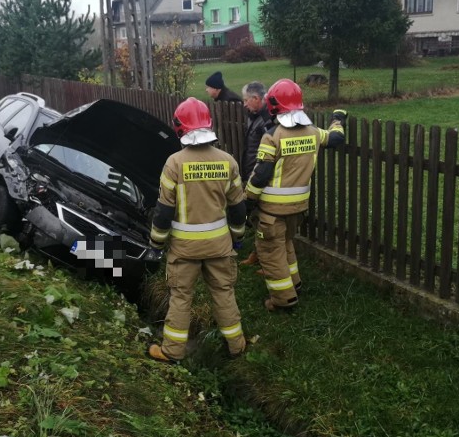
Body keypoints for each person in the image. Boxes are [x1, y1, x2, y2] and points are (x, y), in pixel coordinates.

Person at [147, 97, 248, 363]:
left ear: (180, 128)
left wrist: (156, 245)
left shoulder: (174, 163)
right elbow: (238, 209)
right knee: (224, 293)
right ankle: (237, 346)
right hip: (219, 245)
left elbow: (163, 211)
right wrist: (238, 237)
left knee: (181, 297)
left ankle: (172, 351)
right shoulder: (228, 162)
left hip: (184, 249)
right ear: (208, 125)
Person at [245, 78, 346, 311]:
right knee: (286, 243)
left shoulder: (272, 135)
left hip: (272, 210)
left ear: (273, 105)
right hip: (299, 207)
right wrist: (338, 119)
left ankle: (283, 300)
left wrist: (248, 200)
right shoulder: (313, 132)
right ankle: (294, 284)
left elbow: (260, 175)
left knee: (270, 251)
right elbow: (336, 138)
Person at [239, 81, 273, 268]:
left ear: (256, 99)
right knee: (255, 217)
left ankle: (264, 258)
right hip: (250, 171)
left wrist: (257, 174)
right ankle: (258, 253)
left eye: (246, 100)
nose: (243, 104)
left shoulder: (267, 120)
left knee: (261, 218)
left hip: (259, 174)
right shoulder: (254, 115)